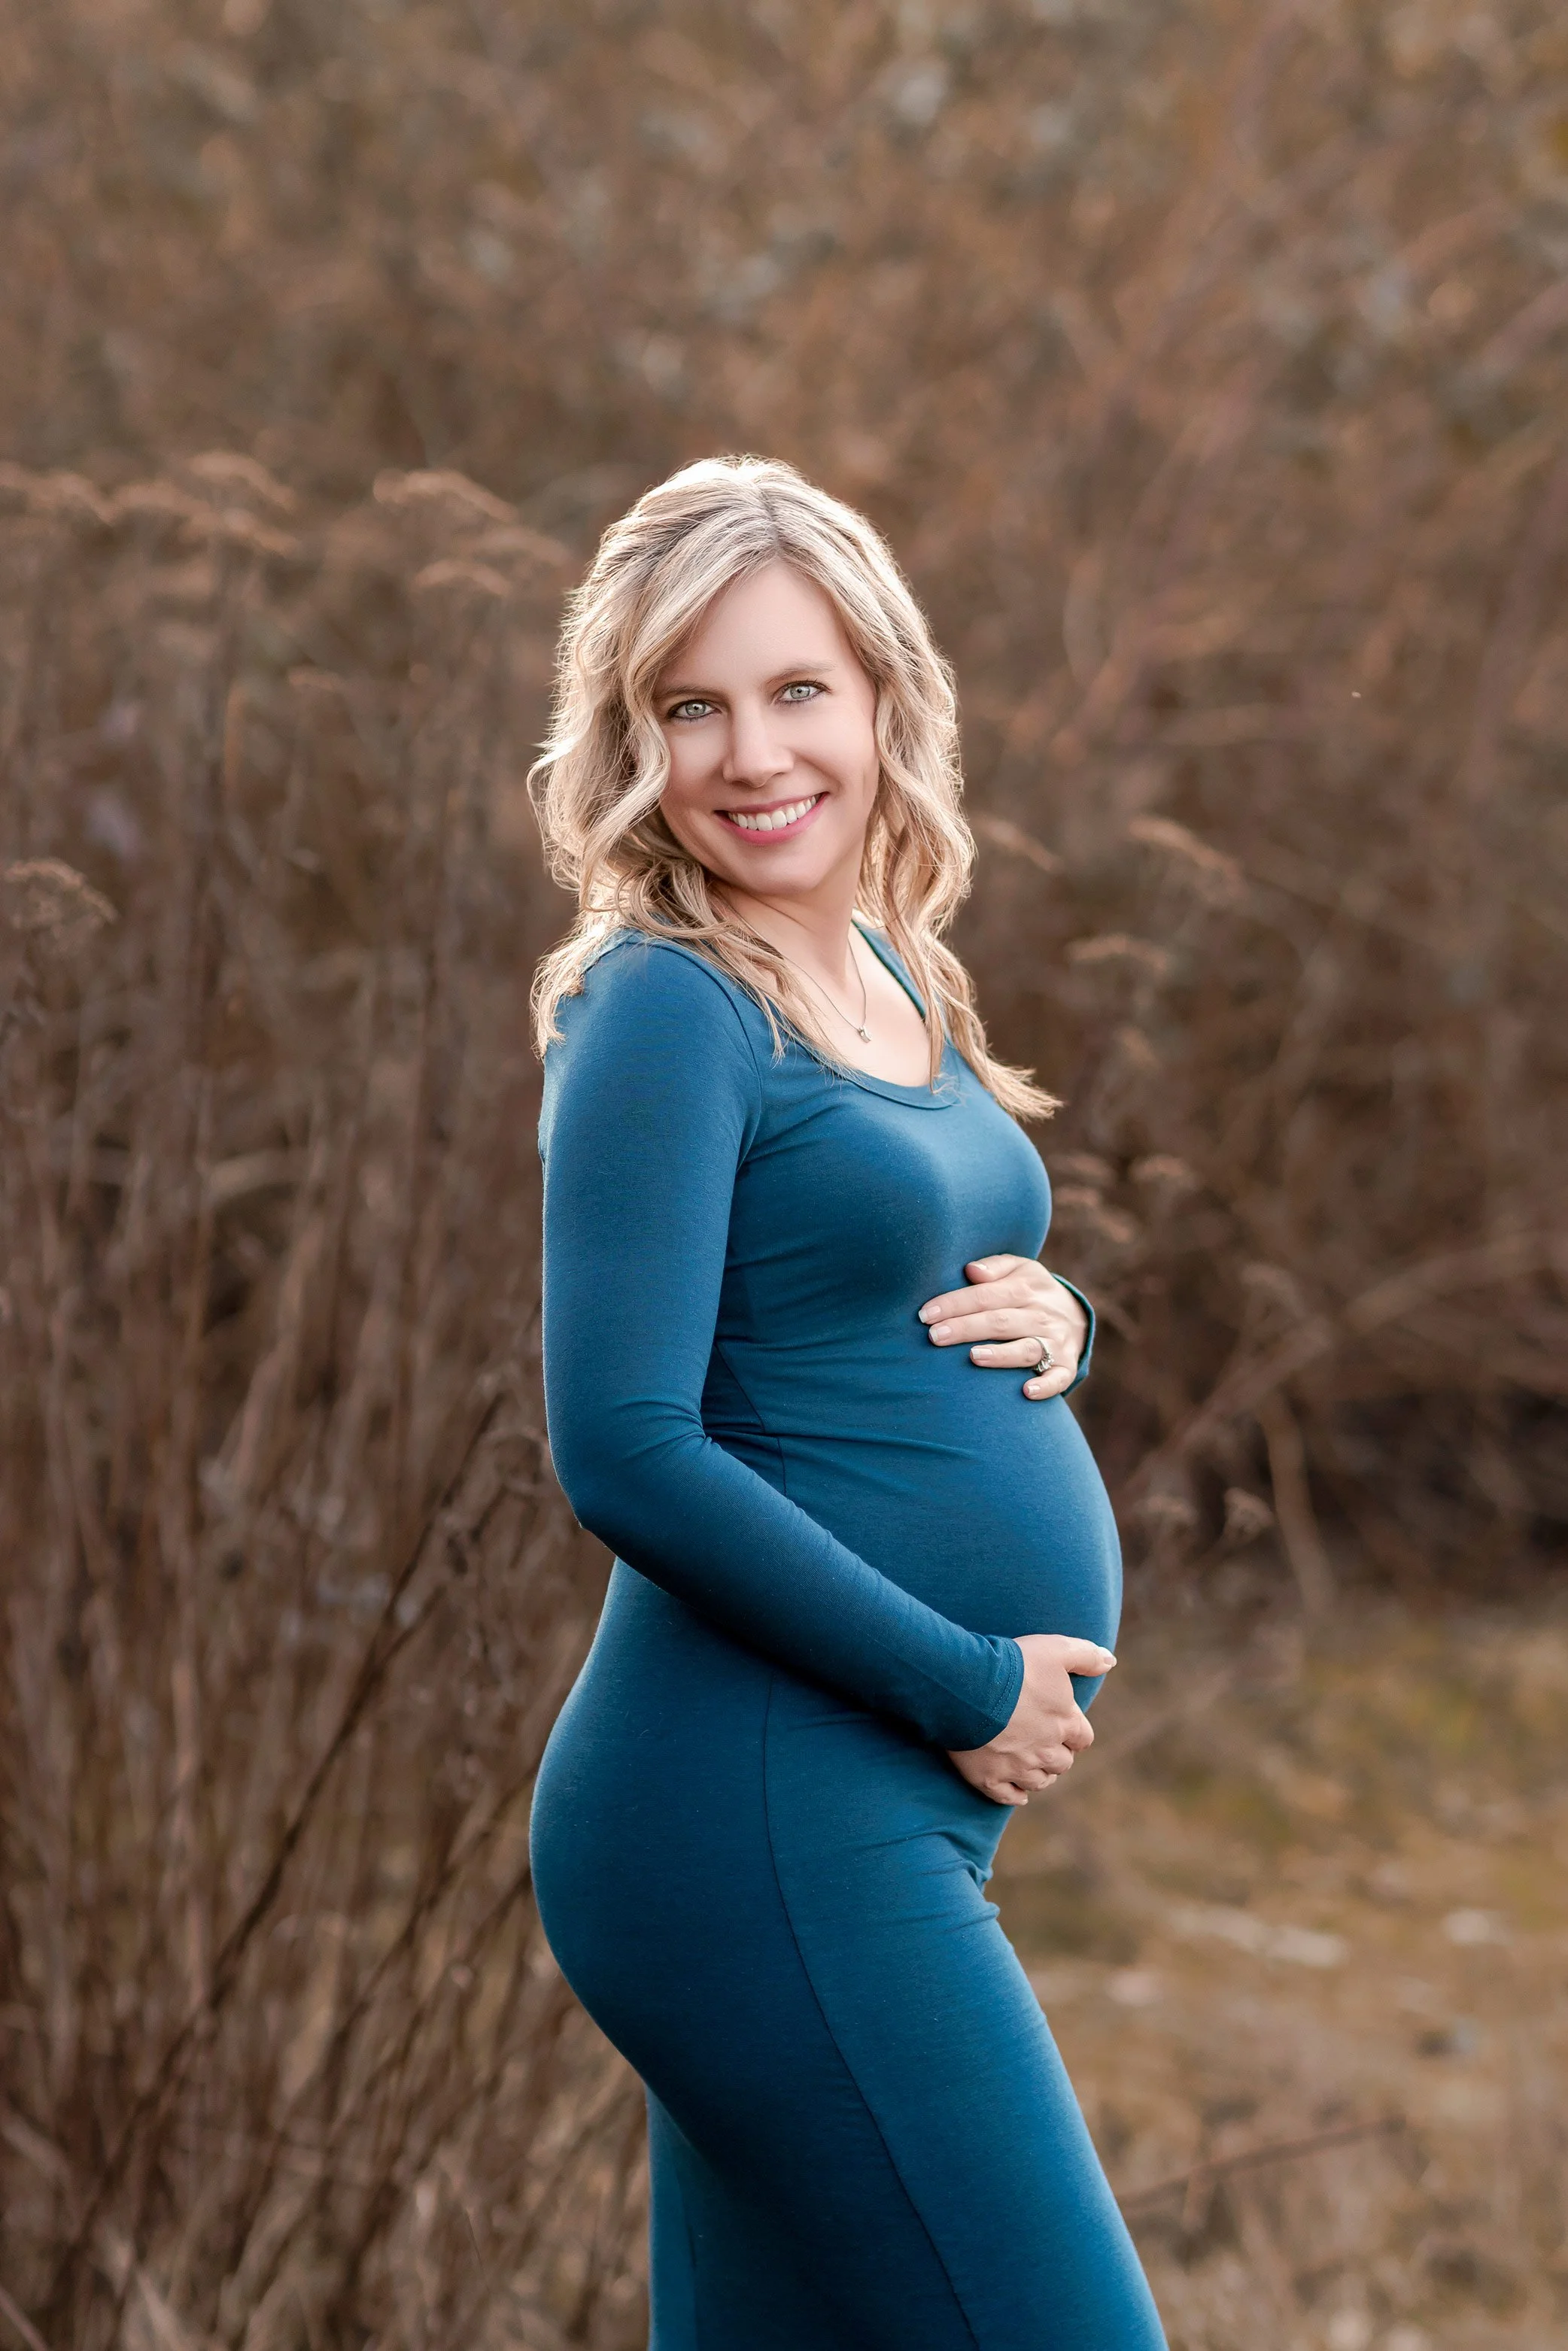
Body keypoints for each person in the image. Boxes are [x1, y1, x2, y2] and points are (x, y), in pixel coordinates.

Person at [528, 455, 1166, 2350]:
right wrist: (965, 1681)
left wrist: (1058, 1310)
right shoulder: (669, 1004)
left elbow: (856, 1281)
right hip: (756, 1811)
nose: (749, 752)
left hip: (831, 1806)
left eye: (795, 688)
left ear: (884, 697)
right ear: (631, 739)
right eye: (690, 704)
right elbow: (623, 1444)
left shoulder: (888, 965)